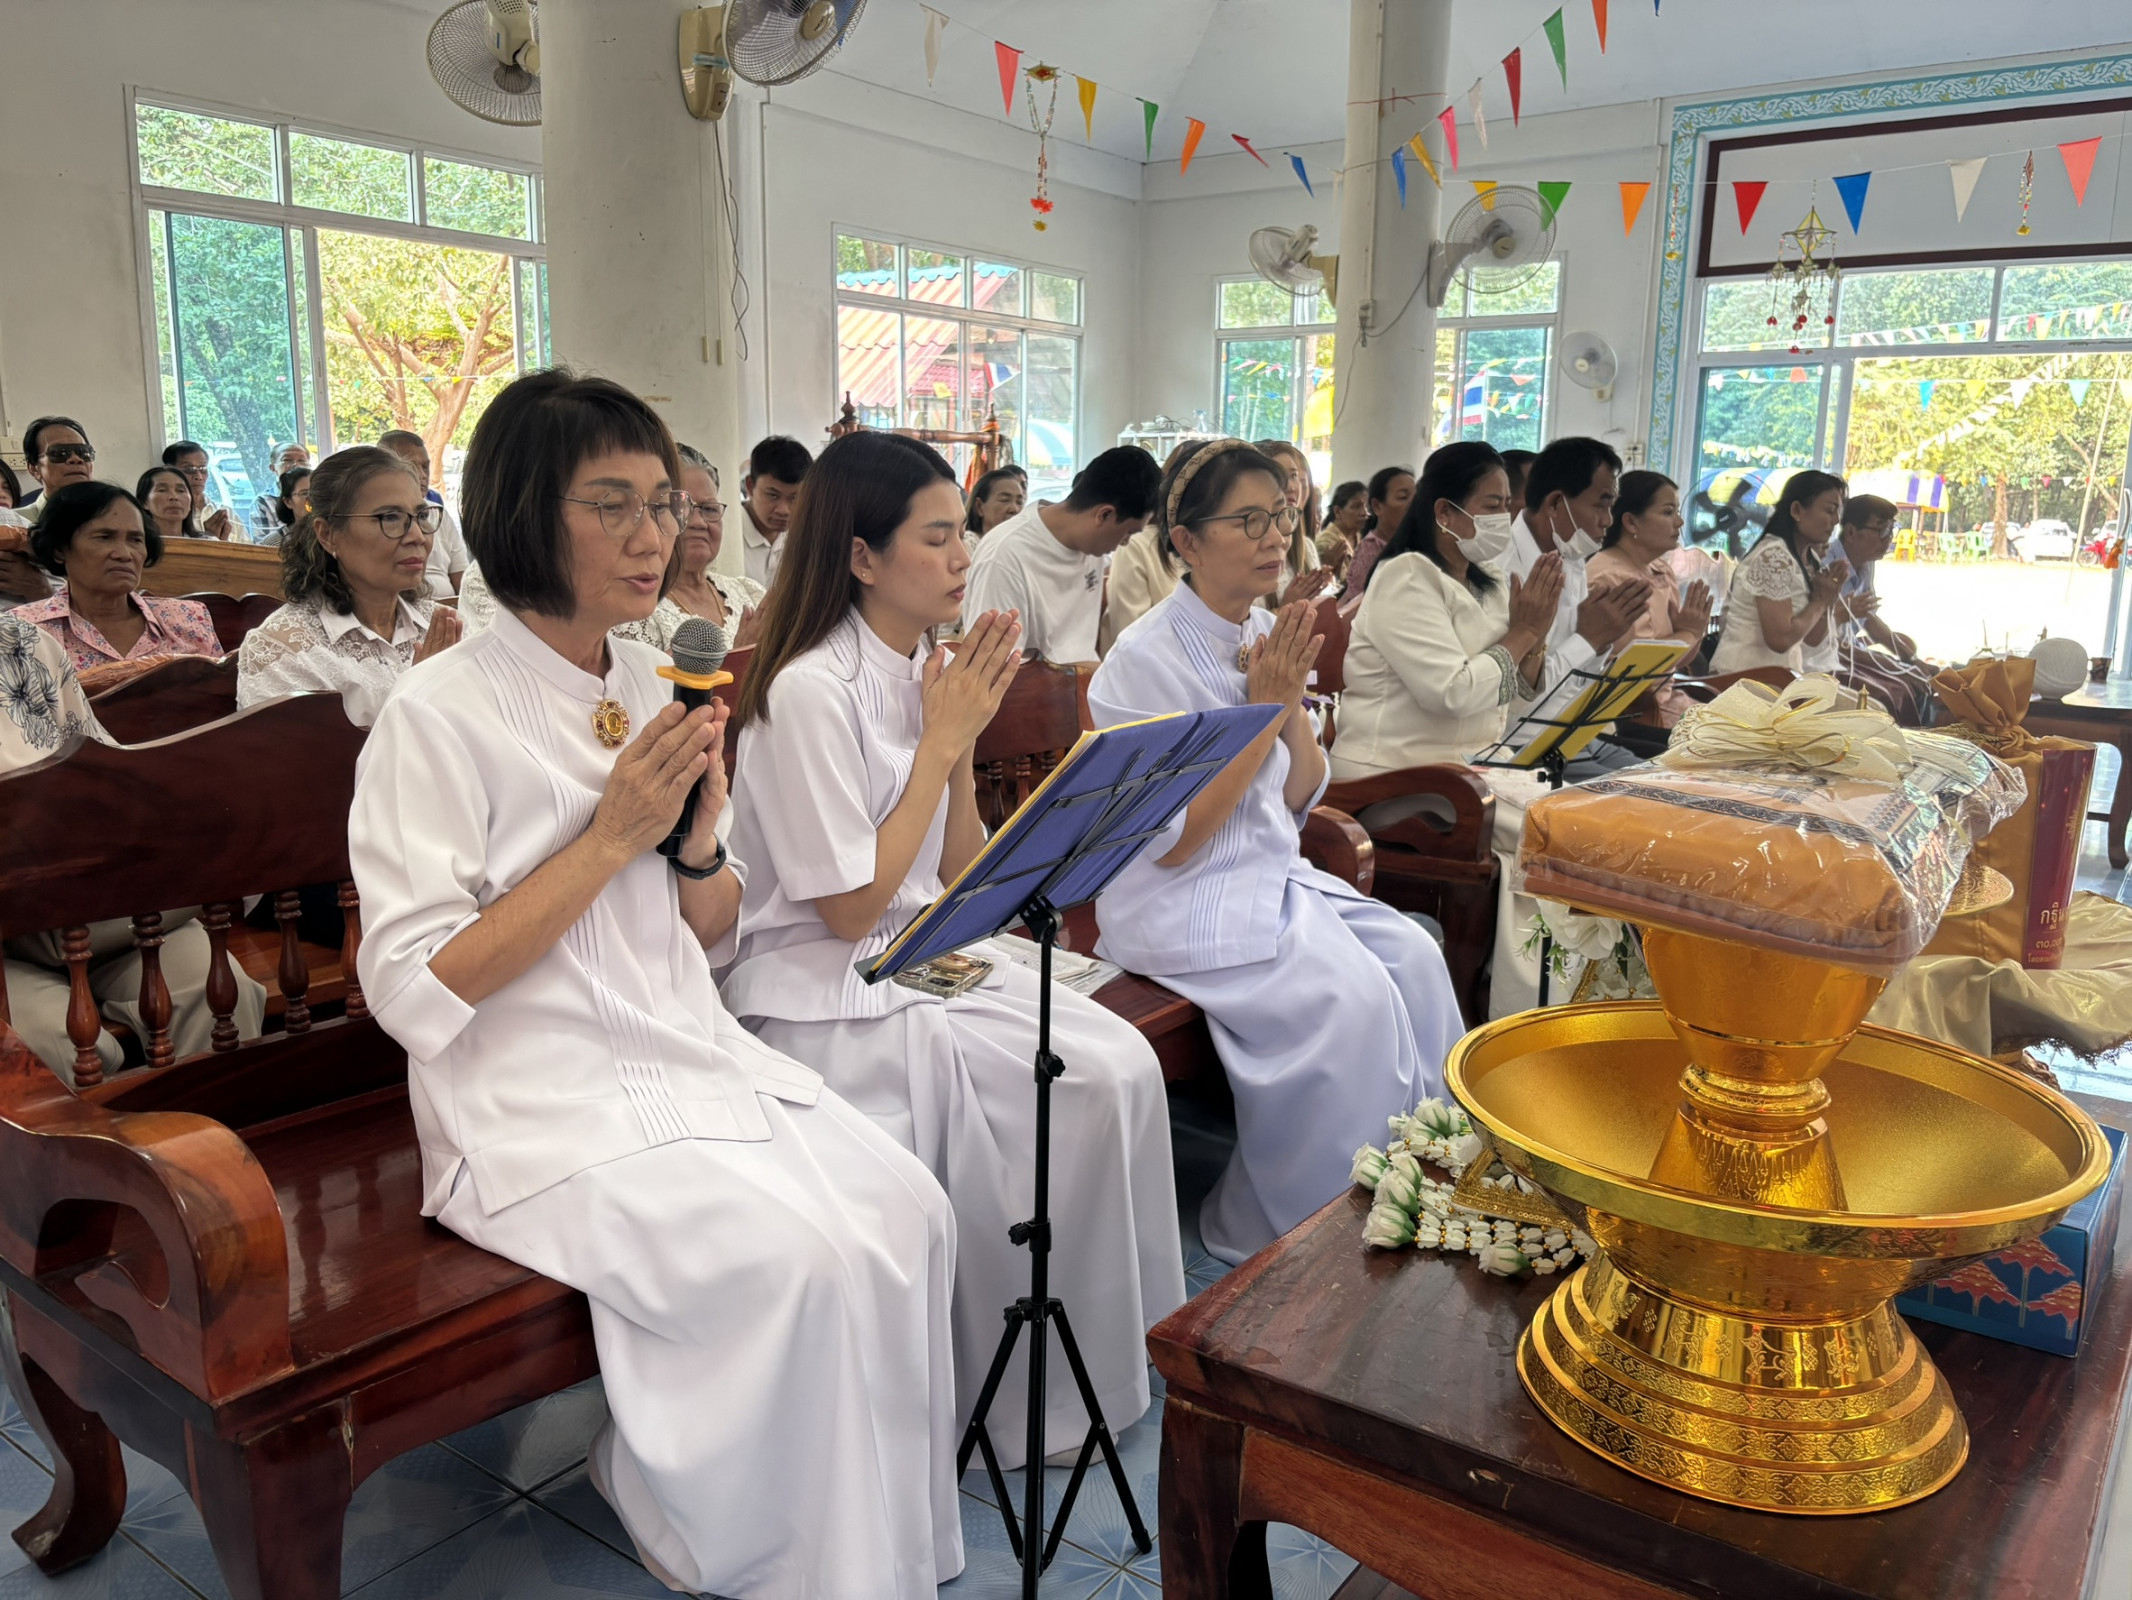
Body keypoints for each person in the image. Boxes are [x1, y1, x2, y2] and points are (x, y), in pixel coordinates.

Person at [349, 370, 962, 1598]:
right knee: (793, 1261)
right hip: (533, 1095)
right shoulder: (436, 715)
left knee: (907, 1209)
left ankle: (875, 1545)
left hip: (679, 1045)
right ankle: (721, 1528)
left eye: (669, 505)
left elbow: (713, 925)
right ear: (525, 511)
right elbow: (412, 989)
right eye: (613, 505)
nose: (659, 536)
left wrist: (689, 846)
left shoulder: (643, 680)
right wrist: (611, 835)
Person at [722, 429, 1182, 1469]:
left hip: (919, 945)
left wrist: (962, 738)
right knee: (1040, 1087)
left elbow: (957, 867)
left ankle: (1101, 1366)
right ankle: (1007, 1396)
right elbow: (845, 908)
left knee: (1113, 1063)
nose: (963, 556)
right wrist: (941, 742)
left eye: (961, 533)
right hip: (818, 980)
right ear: (859, 556)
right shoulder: (806, 691)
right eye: (936, 538)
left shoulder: (922, 666)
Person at [1089, 439, 1461, 1265]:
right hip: (1173, 898)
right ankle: (1294, 1231)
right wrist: (1263, 713)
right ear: (1185, 541)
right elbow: (1177, 842)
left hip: (1264, 871)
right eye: (1247, 520)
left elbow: (1300, 795)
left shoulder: (1262, 628)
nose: (1273, 537)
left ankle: (1417, 1187)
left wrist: (1285, 707)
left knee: (1414, 958)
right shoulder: (1139, 664)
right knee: (1354, 1001)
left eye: (1281, 517)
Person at [0, 598, 269, 1084]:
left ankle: (203, 1154)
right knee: (52, 1045)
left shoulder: (24, 642)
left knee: (216, 994)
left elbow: (106, 774)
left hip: (98, 902)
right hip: (10, 939)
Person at [1330, 442, 1559, 779]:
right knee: (1560, 828)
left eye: (1508, 505)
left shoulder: (1490, 578)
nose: (1504, 517)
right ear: (1444, 512)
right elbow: (1452, 695)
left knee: (1580, 811)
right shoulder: (1406, 576)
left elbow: (1513, 702)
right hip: (1394, 773)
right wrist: (1522, 632)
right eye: (1492, 504)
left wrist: (1535, 637)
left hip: (1470, 767)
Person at [237, 446, 462, 727]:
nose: (417, 536)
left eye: (420, 516)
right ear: (328, 534)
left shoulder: (440, 625)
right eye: (390, 517)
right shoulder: (285, 651)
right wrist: (413, 699)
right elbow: (310, 769)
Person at [1505, 436, 1651, 777]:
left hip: (1575, 735)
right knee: (1652, 804)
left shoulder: (1569, 556)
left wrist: (1601, 641)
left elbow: (1576, 684)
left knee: (1675, 786)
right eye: (1601, 504)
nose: (1608, 520)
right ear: (1556, 503)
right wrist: (1588, 639)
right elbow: (1516, 699)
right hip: (1523, 745)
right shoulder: (1505, 568)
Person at [962, 444, 1160, 665]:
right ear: (1104, 515)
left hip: (1084, 686)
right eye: (1128, 533)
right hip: (1034, 695)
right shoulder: (1004, 556)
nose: (1125, 543)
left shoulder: (1091, 545)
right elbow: (991, 670)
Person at [18, 484, 223, 671]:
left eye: (135, 539)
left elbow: (226, 700)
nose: (124, 554)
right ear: (59, 549)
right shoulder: (20, 632)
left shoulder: (189, 619)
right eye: (104, 537)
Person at [1585, 471, 1713, 731]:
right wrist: (1687, 633)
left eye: (1677, 511)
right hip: (1629, 714)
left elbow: (1679, 659)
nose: (1678, 522)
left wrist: (1693, 631)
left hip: (1664, 702)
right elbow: (1634, 671)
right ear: (1631, 522)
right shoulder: (1610, 576)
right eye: (1667, 512)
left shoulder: (1660, 570)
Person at [1709, 469, 1849, 676]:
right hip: (1740, 682)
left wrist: (1828, 598)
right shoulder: (1773, 557)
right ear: (1797, 511)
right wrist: (1819, 601)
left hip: (1780, 680)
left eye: (1838, 512)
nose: (1836, 520)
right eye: (1830, 510)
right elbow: (1780, 640)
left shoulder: (1810, 559)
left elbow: (1811, 639)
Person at [672, 445, 766, 647]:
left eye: (708, 509)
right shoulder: (641, 611)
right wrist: (740, 655)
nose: (698, 522)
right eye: (682, 508)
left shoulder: (749, 592)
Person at [1815, 493, 1916, 668]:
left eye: (1892, 530)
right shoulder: (1826, 566)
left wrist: (1910, 659)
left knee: (1907, 647)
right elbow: (1824, 638)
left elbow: (1868, 617)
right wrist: (1890, 665)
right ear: (1851, 532)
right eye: (1882, 530)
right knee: (1897, 686)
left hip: (1850, 648)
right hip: (1825, 656)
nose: (1889, 539)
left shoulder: (1867, 562)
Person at [378, 430, 470, 597]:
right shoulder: (377, 518)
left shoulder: (439, 514)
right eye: (411, 467)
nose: (421, 475)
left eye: (425, 466)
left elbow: (463, 580)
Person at [1253, 440, 1335, 608]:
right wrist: (1286, 608)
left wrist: (1323, 589)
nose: (1291, 487)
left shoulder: (1306, 547)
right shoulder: (1249, 549)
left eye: (1294, 476)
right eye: (1280, 476)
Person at [739, 435, 812, 591]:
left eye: (795, 498)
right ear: (750, 486)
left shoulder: (804, 538)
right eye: (773, 495)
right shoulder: (728, 536)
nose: (784, 510)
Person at [1338, 464, 1417, 599]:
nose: (1413, 504)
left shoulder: (1410, 545)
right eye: (1403, 497)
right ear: (1377, 506)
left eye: (1416, 497)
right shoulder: (1370, 552)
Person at [19, 417, 98, 525]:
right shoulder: (14, 524)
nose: (76, 459)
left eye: (83, 452)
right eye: (60, 453)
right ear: (34, 469)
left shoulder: (114, 520)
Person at [161, 441, 240, 539]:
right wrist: (210, 539)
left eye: (202, 468)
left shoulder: (226, 514)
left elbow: (250, 552)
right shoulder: (168, 515)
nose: (198, 476)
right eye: (189, 469)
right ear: (169, 470)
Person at [250, 444, 312, 539]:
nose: (296, 464)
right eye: (287, 460)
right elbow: (262, 547)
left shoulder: (320, 495)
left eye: (302, 460)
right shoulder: (263, 502)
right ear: (273, 468)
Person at [136, 465, 206, 542]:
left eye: (181, 490)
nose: (174, 497)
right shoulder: (137, 545)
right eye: (162, 490)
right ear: (144, 502)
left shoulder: (208, 543)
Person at [1317, 479, 1368, 580]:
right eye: (1356, 506)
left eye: (1366, 507)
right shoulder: (1327, 543)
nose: (1364, 513)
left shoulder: (1357, 536)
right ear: (1338, 511)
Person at [250, 467, 312, 547]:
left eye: (315, 491)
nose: (312, 498)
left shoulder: (329, 534)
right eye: (304, 493)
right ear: (288, 502)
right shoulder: (275, 542)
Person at [962, 467, 1025, 541]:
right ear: (979, 507)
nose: (1014, 509)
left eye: (1019, 502)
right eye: (1004, 500)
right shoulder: (968, 545)